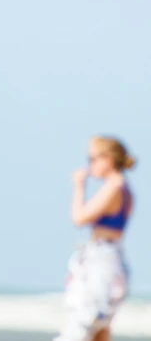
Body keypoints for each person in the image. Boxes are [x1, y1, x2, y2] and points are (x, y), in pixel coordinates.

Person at [54, 136, 136, 341]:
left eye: (93, 159)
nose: (90, 166)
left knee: (78, 329)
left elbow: (79, 218)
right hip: (113, 259)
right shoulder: (126, 190)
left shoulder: (113, 187)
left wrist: (79, 186)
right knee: (100, 330)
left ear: (107, 159)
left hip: (101, 262)